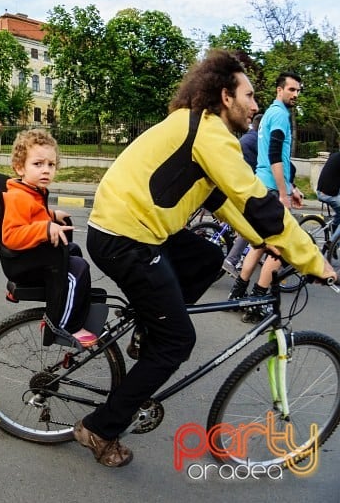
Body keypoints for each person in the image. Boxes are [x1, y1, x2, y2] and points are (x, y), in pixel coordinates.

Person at [78, 50, 334, 468]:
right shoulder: (210, 133)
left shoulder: (198, 126)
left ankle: (147, 327)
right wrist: (310, 258)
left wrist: (266, 241)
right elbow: (255, 200)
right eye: (249, 95)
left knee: (208, 255)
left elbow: (225, 202)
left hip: (135, 228)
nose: (255, 104)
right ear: (225, 96)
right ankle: (100, 427)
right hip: (126, 238)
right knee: (178, 341)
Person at [1, 129, 96, 347]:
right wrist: (45, 228)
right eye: (38, 164)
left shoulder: (31, 191)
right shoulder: (18, 196)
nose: (46, 170)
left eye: (51, 165)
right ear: (19, 167)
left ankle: (65, 306)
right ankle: (63, 325)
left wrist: (52, 216)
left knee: (72, 250)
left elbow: (33, 216)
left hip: (32, 257)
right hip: (23, 262)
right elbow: (11, 236)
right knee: (79, 269)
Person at [230, 72, 303, 322]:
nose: (295, 94)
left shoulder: (269, 114)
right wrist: (284, 193)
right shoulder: (281, 115)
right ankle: (257, 304)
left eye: (298, 91)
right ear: (279, 90)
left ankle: (237, 295)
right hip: (272, 188)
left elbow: (275, 157)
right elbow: (274, 155)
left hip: (262, 183)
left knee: (260, 244)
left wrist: (291, 187)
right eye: (291, 89)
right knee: (279, 249)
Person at [221, 111, 263, 277]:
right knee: (252, 223)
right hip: (240, 185)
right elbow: (266, 162)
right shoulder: (257, 141)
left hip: (230, 181)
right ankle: (233, 258)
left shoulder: (247, 137)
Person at [316, 150, 340, 236]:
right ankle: (333, 243)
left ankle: (335, 225)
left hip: (321, 191)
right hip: (328, 194)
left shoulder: (334, 155)